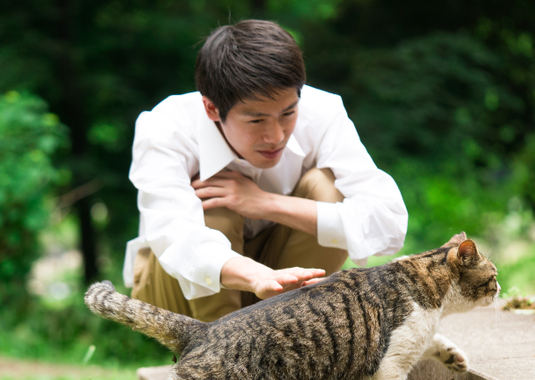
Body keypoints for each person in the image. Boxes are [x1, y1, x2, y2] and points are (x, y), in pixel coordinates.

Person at [124, 19, 407, 324]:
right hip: (176, 290)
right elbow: (175, 236)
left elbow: (389, 223)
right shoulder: (166, 128)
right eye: (256, 120)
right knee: (215, 207)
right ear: (211, 109)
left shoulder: (323, 113)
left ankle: (291, 335)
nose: (276, 135)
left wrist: (264, 203)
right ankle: (221, 356)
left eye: (288, 113)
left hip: (279, 278)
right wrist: (256, 275)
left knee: (327, 188)